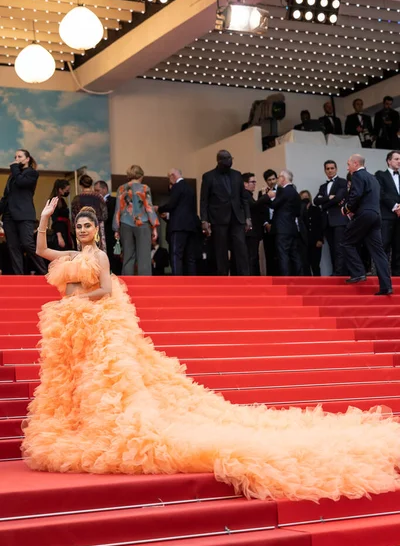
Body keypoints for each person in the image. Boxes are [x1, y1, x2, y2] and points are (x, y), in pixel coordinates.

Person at [22, 197, 400, 503]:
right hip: (74, 328)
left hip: (93, 322)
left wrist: (72, 302)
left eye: (89, 226)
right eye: (80, 226)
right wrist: (44, 217)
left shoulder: (99, 257)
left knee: (102, 382)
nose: (84, 230)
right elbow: (39, 249)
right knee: (75, 382)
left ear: (97, 229)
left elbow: (105, 289)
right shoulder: (71, 256)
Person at [342, 154, 392, 295]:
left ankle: (358, 272)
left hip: (365, 215)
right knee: (378, 252)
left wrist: (346, 208)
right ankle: (386, 286)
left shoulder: (357, 175)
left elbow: (356, 195)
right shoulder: (373, 178)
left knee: (346, 242)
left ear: (356, 163)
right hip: (376, 216)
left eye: (349, 164)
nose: (347, 167)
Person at [200, 150, 251, 276]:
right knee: (221, 250)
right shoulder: (208, 176)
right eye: (227, 158)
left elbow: (244, 198)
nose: (230, 161)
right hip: (218, 218)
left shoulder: (237, 175)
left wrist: (248, 217)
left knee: (241, 249)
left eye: (231, 158)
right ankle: (222, 278)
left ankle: (244, 278)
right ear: (219, 161)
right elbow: (204, 200)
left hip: (237, 217)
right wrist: (204, 220)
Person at [0, 149, 47, 275]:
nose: (16, 159)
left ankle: (45, 273)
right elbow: (6, 196)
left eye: (19, 156)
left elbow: (22, 182)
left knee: (28, 244)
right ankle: (19, 276)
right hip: (9, 216)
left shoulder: (31, 173)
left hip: (24, 215)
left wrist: (15, 167)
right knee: (13, 247)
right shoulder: (12, 176)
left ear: (27, 159)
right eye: (15, 157)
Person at [113, 165, 159, 276]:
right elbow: (149, 207)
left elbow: (118, 209)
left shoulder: (121, 189)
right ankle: (145, 286)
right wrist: (154, 227)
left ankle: (127, 284)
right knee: (144, 256)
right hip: (142, 224)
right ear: (140, 175)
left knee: (128, 256)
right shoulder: (144, 188)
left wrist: (116, 228)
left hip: (125, 224)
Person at [259, 170, 303, 276]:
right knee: (295, 256)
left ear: (283, 178)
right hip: (292, 228)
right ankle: (300, 279)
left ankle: (285, 281)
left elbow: (273, 205)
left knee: (283, 255)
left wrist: (266, 196)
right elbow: (297, 212)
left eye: (278, 177)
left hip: (282, 229)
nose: (277, 180)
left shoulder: (283, 191)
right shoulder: (295, 192)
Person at [155, 169, 197, 276]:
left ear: (173, 176)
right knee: (190, 256)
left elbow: (172, 204)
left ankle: (177, 281)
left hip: (178, 227)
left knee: (176, 254)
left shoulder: (177, 187)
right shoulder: (190, 188)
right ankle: (192, 281)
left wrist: (159, 208)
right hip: (191, 227)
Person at [314, 161, 348, 276]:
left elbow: (338, 198)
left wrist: (324, 203)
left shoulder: (342, 182)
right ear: (325, 170)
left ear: (336, 169)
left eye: (332, 168)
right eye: (327, 168)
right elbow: (315, 201)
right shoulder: (323, 186)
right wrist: (328, 197)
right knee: (332, 248)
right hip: (327, 221)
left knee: (339, 247)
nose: (330, 170)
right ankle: (336, 272)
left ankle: (340, 272)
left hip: (339, 220)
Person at [375, 151, 400, 276]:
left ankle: (397, 275)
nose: (399, 161)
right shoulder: (380, 175)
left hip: (399, 217)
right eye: (396, 159)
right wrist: (395, 207)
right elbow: (381, 193)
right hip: (387, 216)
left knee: (398, 247)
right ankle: (382, 275)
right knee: (384, 246)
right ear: (389, 161)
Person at [71, 175, 108, 252]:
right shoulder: (99, 197)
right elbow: (105, 215)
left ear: (80, 185)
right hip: (96, 228)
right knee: (98, 251)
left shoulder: (76, 199)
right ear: (91, 184)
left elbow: (74, 218)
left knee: (83, 253)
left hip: (82, 228)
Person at [94, 180, 121, 275]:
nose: (96, 193)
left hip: (110, 234)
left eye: (98, 190)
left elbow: (113, 216)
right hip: (98, 236)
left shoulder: (114, 200)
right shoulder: (95, 203)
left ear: (105, 189)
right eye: (95, 191)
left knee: (113, 259)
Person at [242, 172, 264, 275]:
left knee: (254, 257)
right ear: (245, 184)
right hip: (250, 232)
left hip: (253, 232)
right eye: (252, 182)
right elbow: (254, 206)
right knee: (252, 257)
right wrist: (265, 197)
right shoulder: (245, 194)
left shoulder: (248, 195)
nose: (254, 184)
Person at [258, 169, 279, 275]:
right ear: (266, 181)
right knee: (269, 254)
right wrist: (265, 223)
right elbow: (260, 211)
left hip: (279, 225)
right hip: (267, 226)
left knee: (280, 254)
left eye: (273, 179)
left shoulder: (281, 190)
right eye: (269, 180)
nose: (272, 181)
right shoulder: (261, 193)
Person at [299, 190, 323, 276]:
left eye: (307, 197)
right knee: (305, 265)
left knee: (315, 265)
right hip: (304, 243)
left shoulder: (316, 210)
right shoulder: (298, 212)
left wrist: (320, 239)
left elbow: (321, 225)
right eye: (303, 197)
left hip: (316, 242)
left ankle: (319, 287)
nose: (305, 199)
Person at [48, 179, 73, 251]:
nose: (68, 192)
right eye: (67, 190)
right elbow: (54, 219)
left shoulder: (62, 200)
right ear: (60, 190)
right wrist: (59, 236)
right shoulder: (53, 201)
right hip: (59, 232)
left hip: (65, 230)